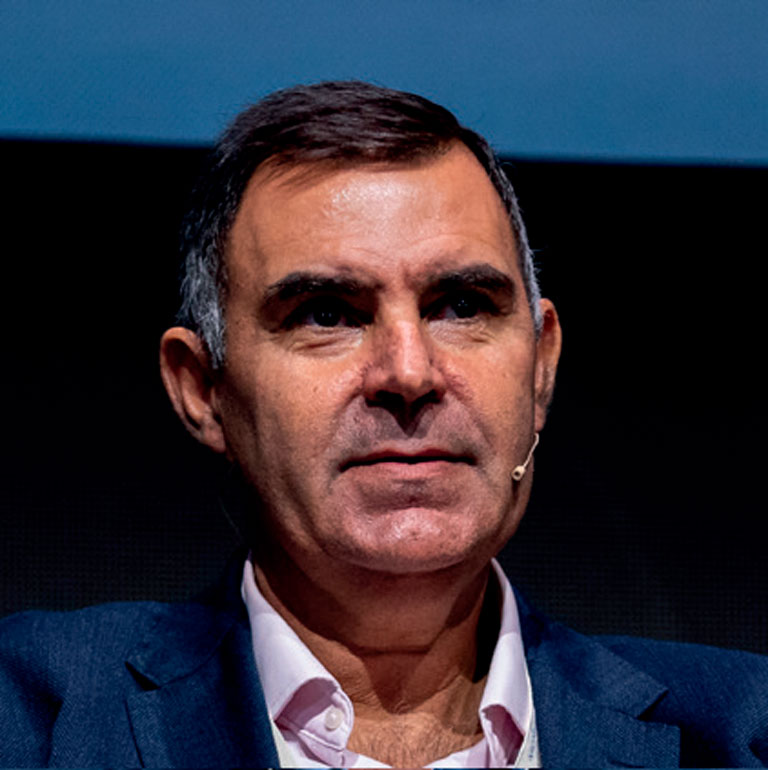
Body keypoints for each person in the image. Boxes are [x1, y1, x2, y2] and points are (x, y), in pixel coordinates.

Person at [1, 81, 766, 769]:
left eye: (461, 305)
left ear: (540, 368)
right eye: (327, 314)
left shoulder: (742, 736)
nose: (409, 372)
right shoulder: (34, 722)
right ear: (203, 391)